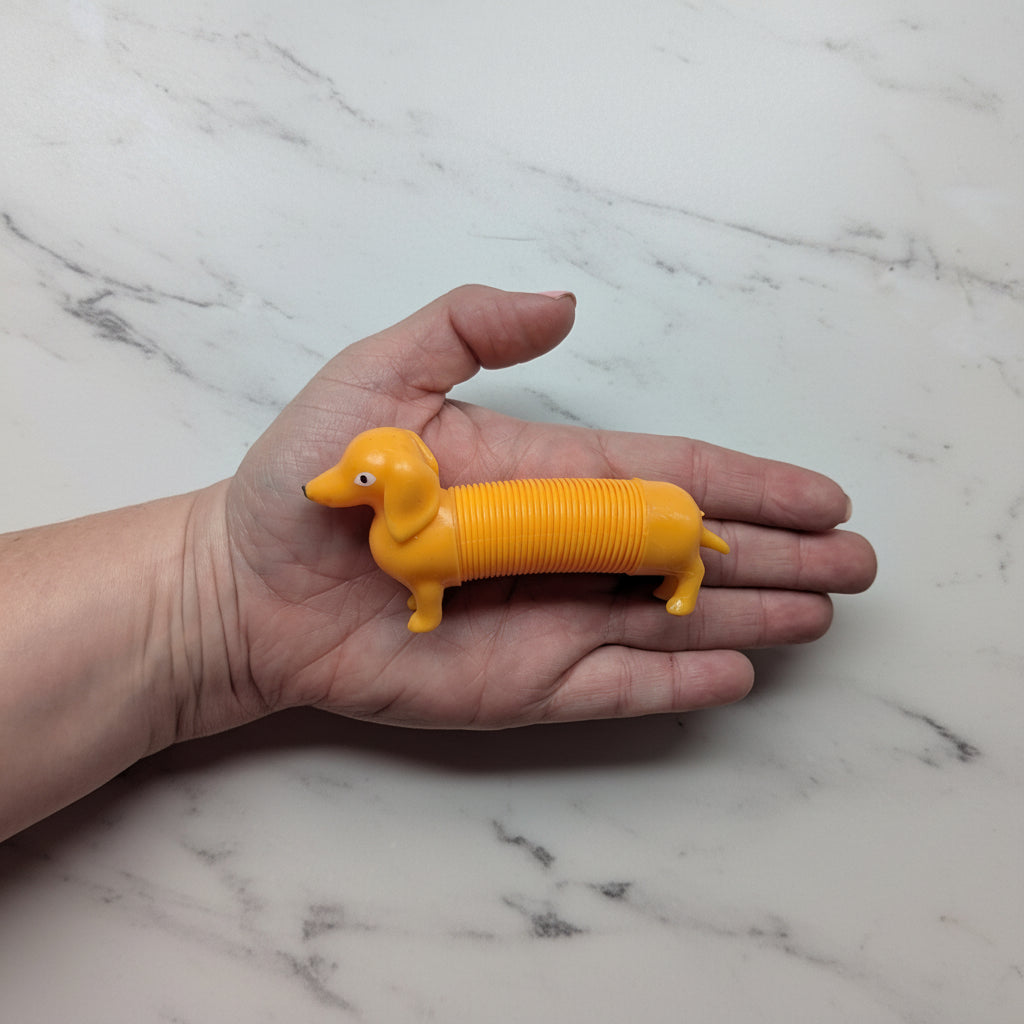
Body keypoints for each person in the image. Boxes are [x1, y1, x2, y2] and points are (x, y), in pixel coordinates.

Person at [0, 286, 876, 840]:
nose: (338, 486)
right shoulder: (402, 535)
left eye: (362, 478)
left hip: (640, 525)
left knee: (669, 544)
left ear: (402, 488)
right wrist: (220, 588)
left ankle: (679, 569)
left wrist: (211, 599)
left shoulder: (415, 532)